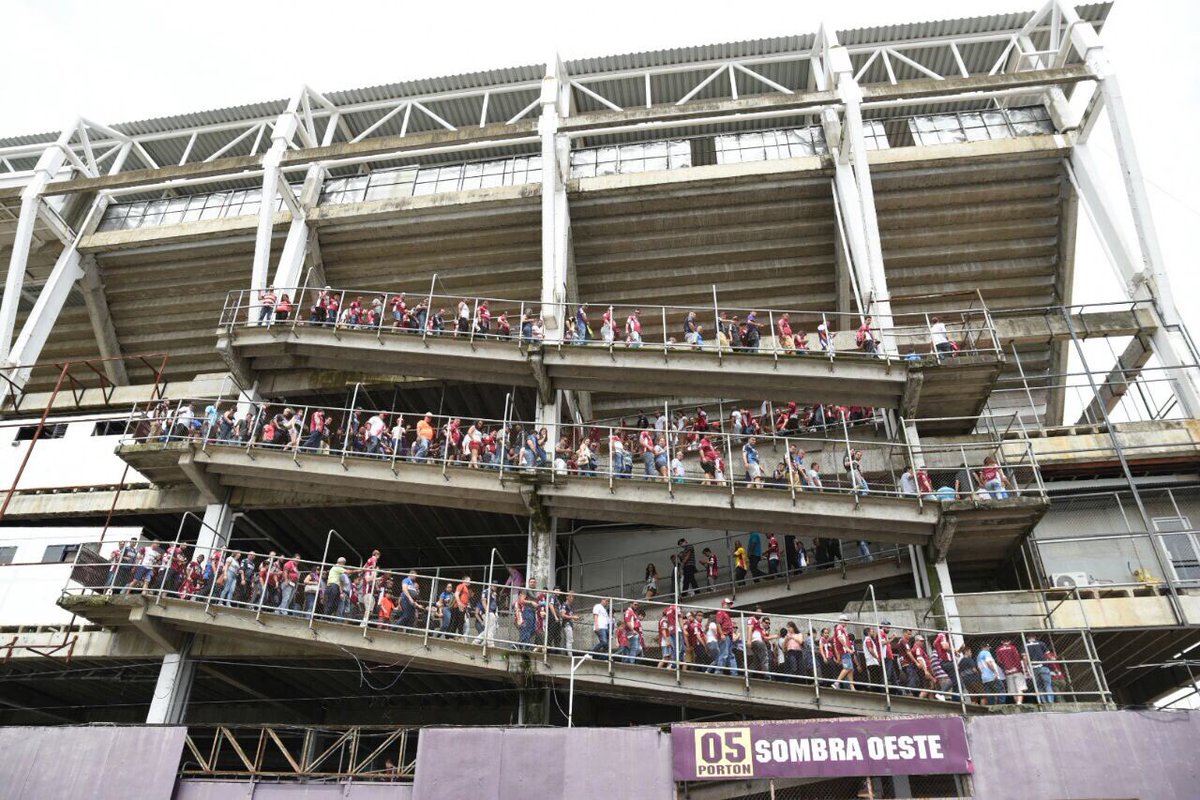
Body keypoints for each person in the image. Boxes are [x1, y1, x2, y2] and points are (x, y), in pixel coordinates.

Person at [995, 638, 1027, 704]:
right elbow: (1017, 658)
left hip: (1007, 672)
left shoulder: (998, 649)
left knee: (1013, 690)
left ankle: (1016, 703)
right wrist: (1019, 669)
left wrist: (1005, 669)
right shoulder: (1013, 647)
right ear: (1009, 641)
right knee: (1020, 688)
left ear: (1002, 641)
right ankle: (1019, 703)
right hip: (1016, 670)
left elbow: (999, 661)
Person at [1024, 633, 1054, 704]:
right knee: (1047, 685)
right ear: (1035, 637)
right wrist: (1052, 659)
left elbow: (1025, 658)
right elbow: (1047, 655)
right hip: (1043, 666)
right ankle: (1050, 702)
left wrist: (1026, 669)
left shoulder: (1025, 645)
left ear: (1027, 638)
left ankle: (1043, 702)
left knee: (1039, 686)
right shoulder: (1041, 643)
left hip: (1033, 667)